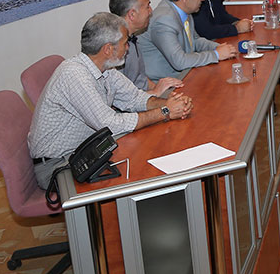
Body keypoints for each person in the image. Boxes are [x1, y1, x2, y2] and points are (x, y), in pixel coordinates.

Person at [27, 12, 194, 189]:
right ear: (108, 49)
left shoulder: (105, 69)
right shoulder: (74, 75)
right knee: (140, 172)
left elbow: (135, 98)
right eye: (125, 43)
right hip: (57, 166)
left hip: (85, 152)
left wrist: (171, 103)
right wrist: (165, 112)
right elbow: (110, 124)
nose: (128, 48)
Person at [139, 0, 237, 80]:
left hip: (185, 74)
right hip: (166, 82)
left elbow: (195, 40)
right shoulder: (164, 19)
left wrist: (217, 47)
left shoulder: (184, 9)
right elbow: (179, 62)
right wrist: (216, 55)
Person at [108, 0, 182, 96]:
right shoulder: (115, 50)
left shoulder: (132, 39)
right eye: (147, 6)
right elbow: (121, 99)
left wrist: (161, 89)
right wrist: (156, 92)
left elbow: (141, 79)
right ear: (132, 14)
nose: (151, 11)